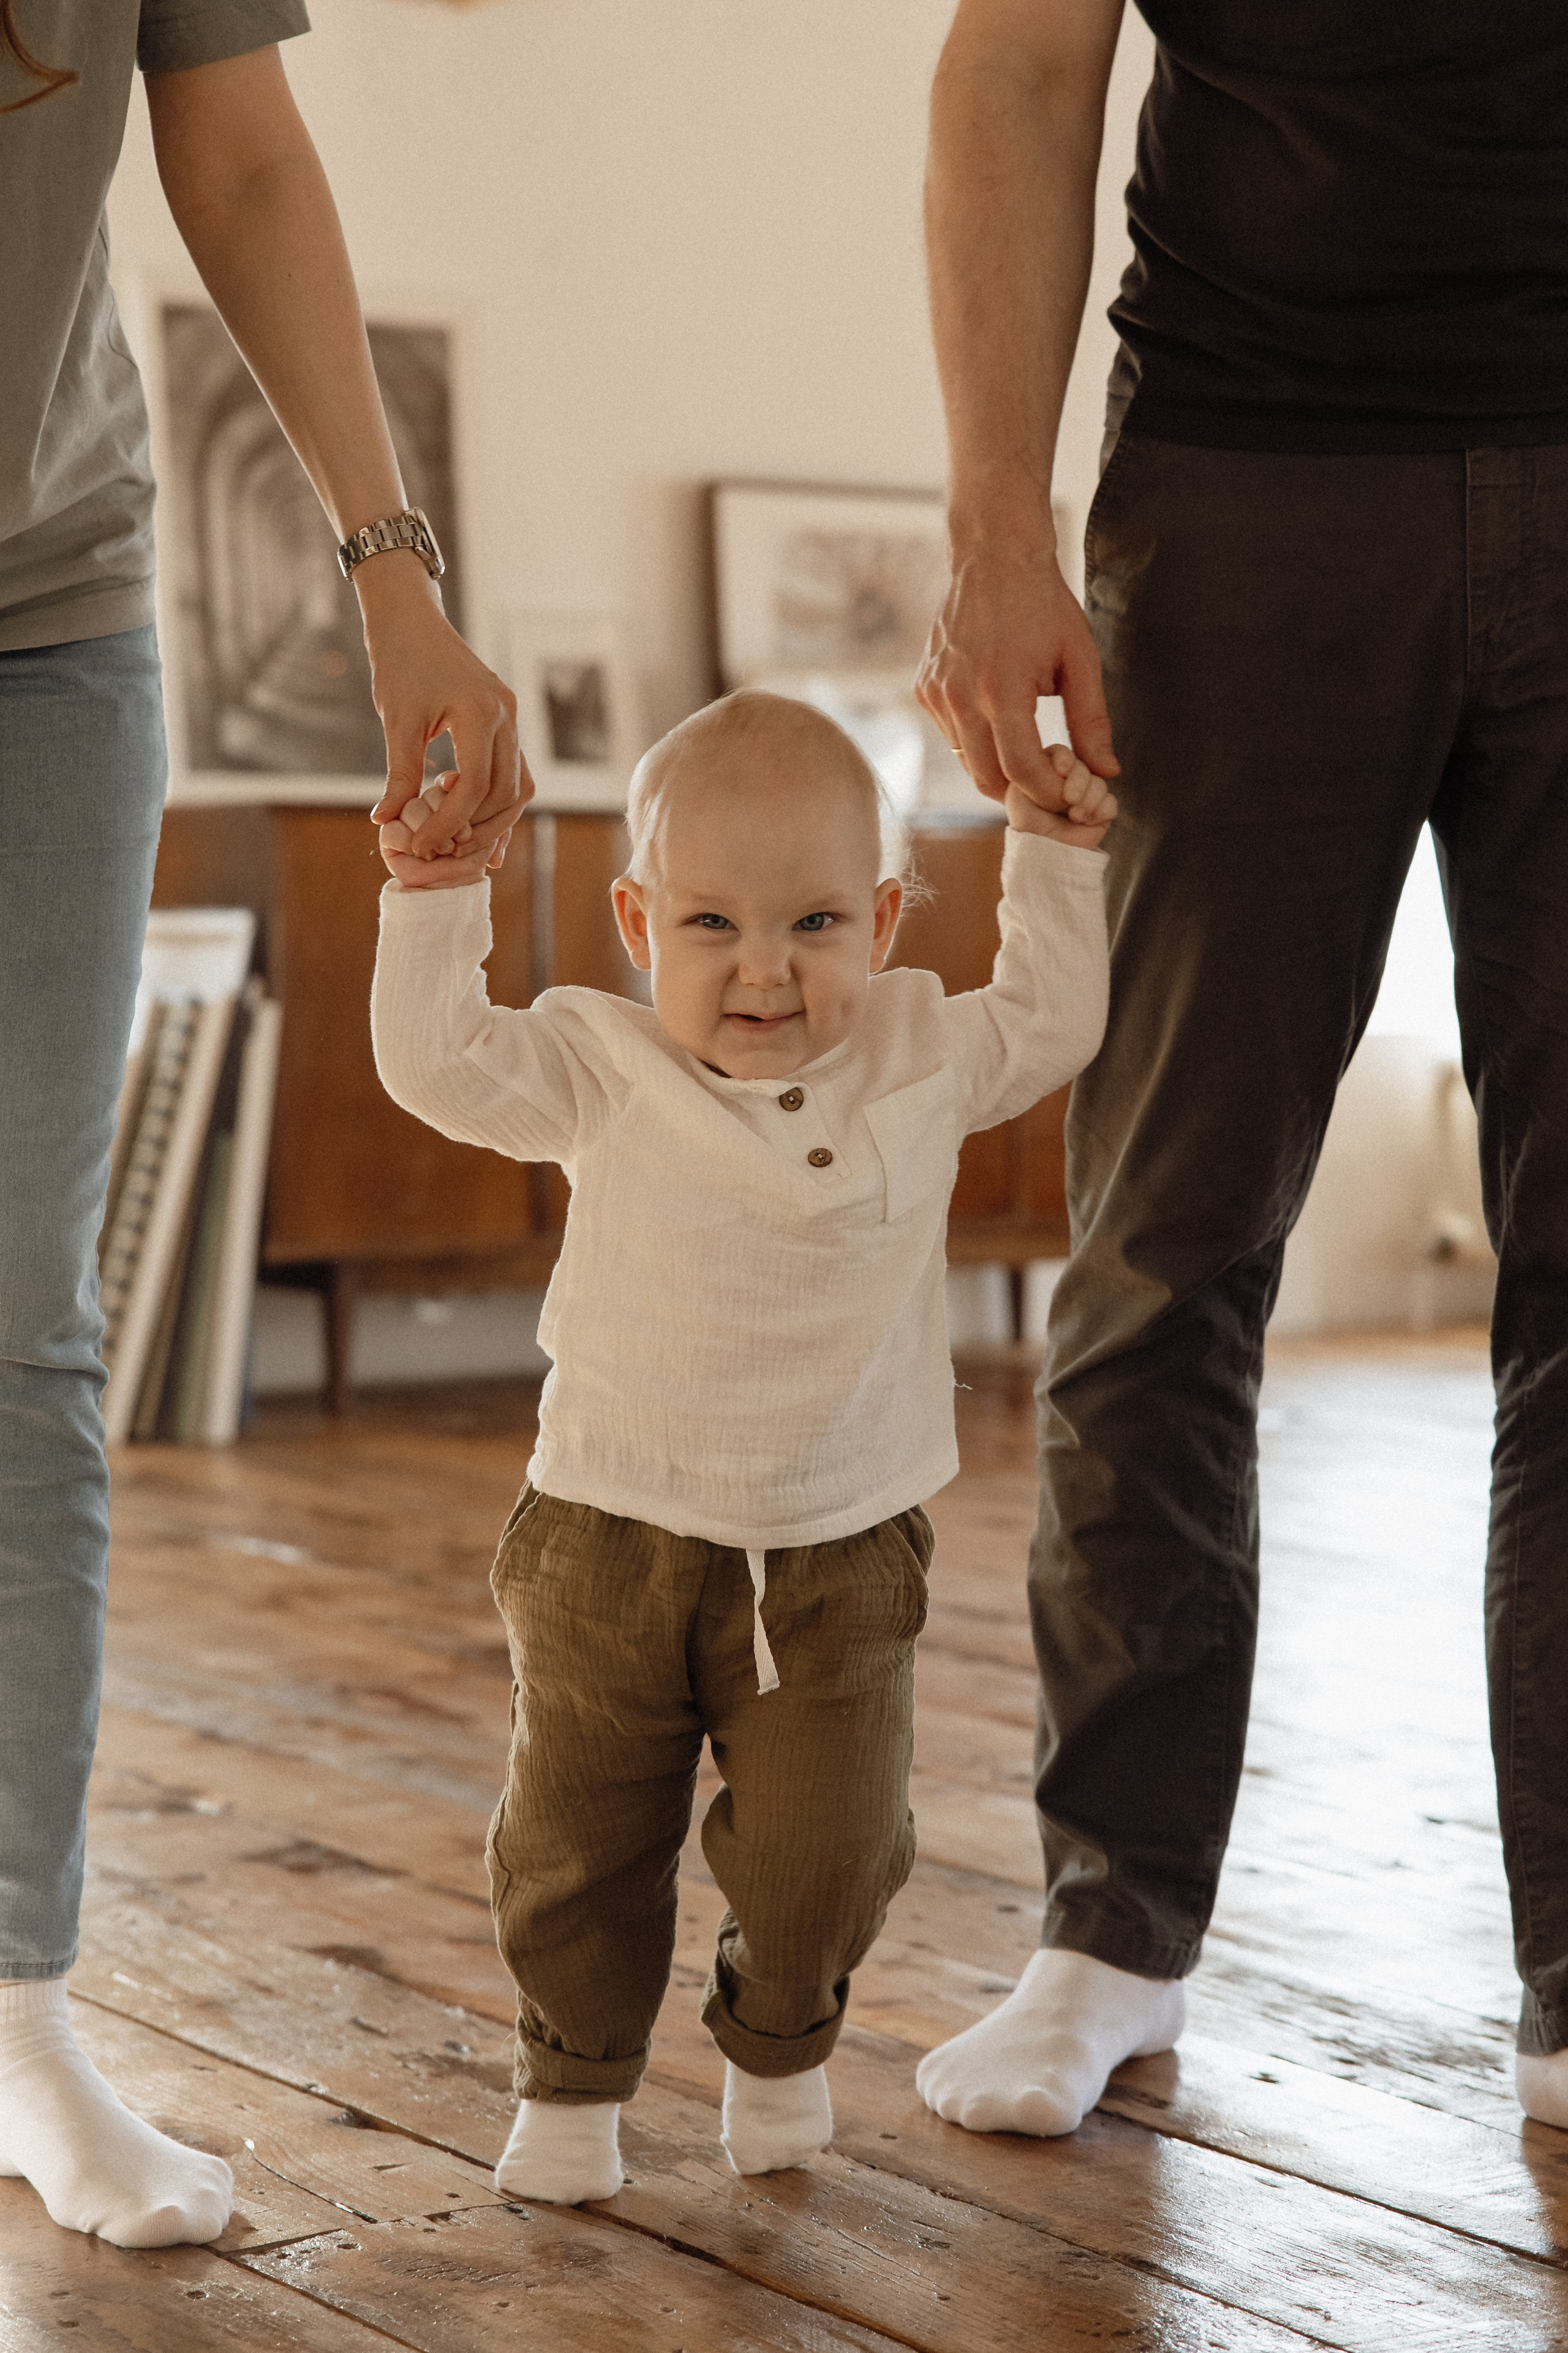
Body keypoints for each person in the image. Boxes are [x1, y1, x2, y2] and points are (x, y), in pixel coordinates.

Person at [912, 0, 1568, 2140]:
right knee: (1166, 1238)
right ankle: (1111, 1929)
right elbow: (1017, 66)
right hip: (1242, 478)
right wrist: (1000, 527)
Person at [0, 4, 520, 2249]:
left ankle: (14, 2007)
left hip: (48, 607)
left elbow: (241, 153)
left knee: (16, 1328)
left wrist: (391, 573)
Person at [369, 688, 1113, 2204]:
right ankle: (573, 2081)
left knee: (826, 1851)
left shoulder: (919, 1052)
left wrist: (1049, 844)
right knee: (577, 1841)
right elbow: (432, 1063)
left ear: (887, 920)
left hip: (838, 1546)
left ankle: (778, 2042)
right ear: (639, 923)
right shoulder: (596, 1061)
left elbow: (1052, 1014)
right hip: (606, 1531)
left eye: (815, 921)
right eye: (709, 922)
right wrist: (436, 893)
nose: (761, 967)